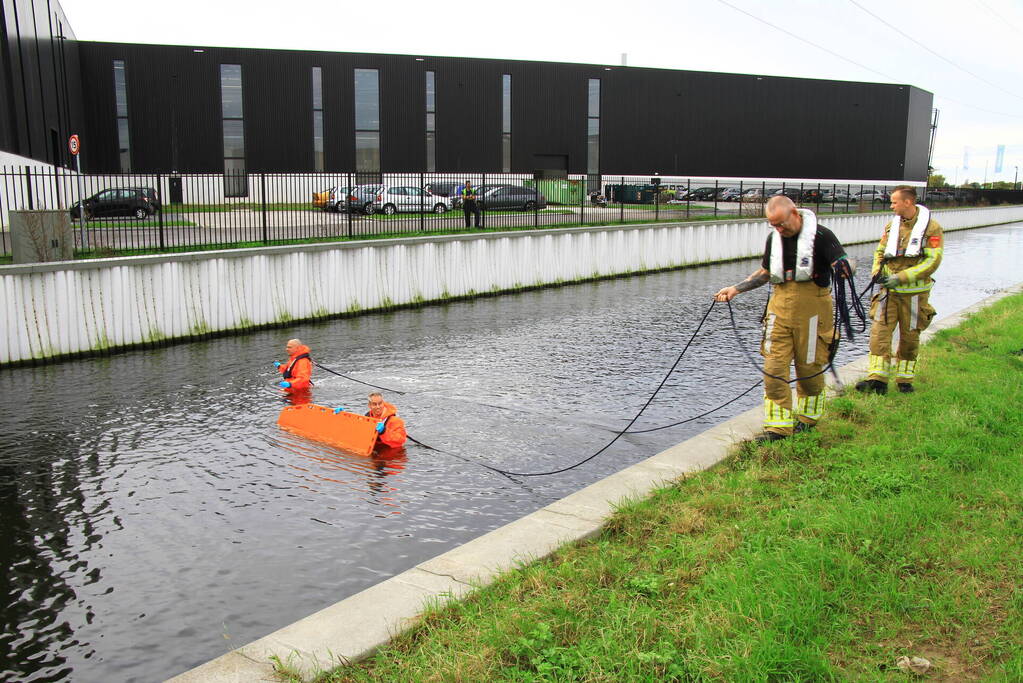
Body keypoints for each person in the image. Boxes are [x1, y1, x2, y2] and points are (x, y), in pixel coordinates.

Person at [714, 196, 854, 443]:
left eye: (781, 223)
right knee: (774, 368)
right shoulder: (774, 239)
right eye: (773, 225)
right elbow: (767, 272)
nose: (778, 229)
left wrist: (846, 267)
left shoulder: (822, 236)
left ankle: (808, 420)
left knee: (808, 368)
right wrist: (736, 288)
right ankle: (778, 428)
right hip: (779, 309)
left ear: (795, 214)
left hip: (813, 310)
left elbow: (842, 262)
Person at [856, 186, 943, 395]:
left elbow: (933, 261)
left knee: (909, 337)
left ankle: (905, 381)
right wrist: (877, 270)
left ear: (908, 202)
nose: (891, 205)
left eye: (894, 202)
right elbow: (880, 251)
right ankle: (877, 380)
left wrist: (901, 278)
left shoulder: (931, 228)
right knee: (879, 334)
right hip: (888, 293)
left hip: (914, 295)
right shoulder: (890, 226)